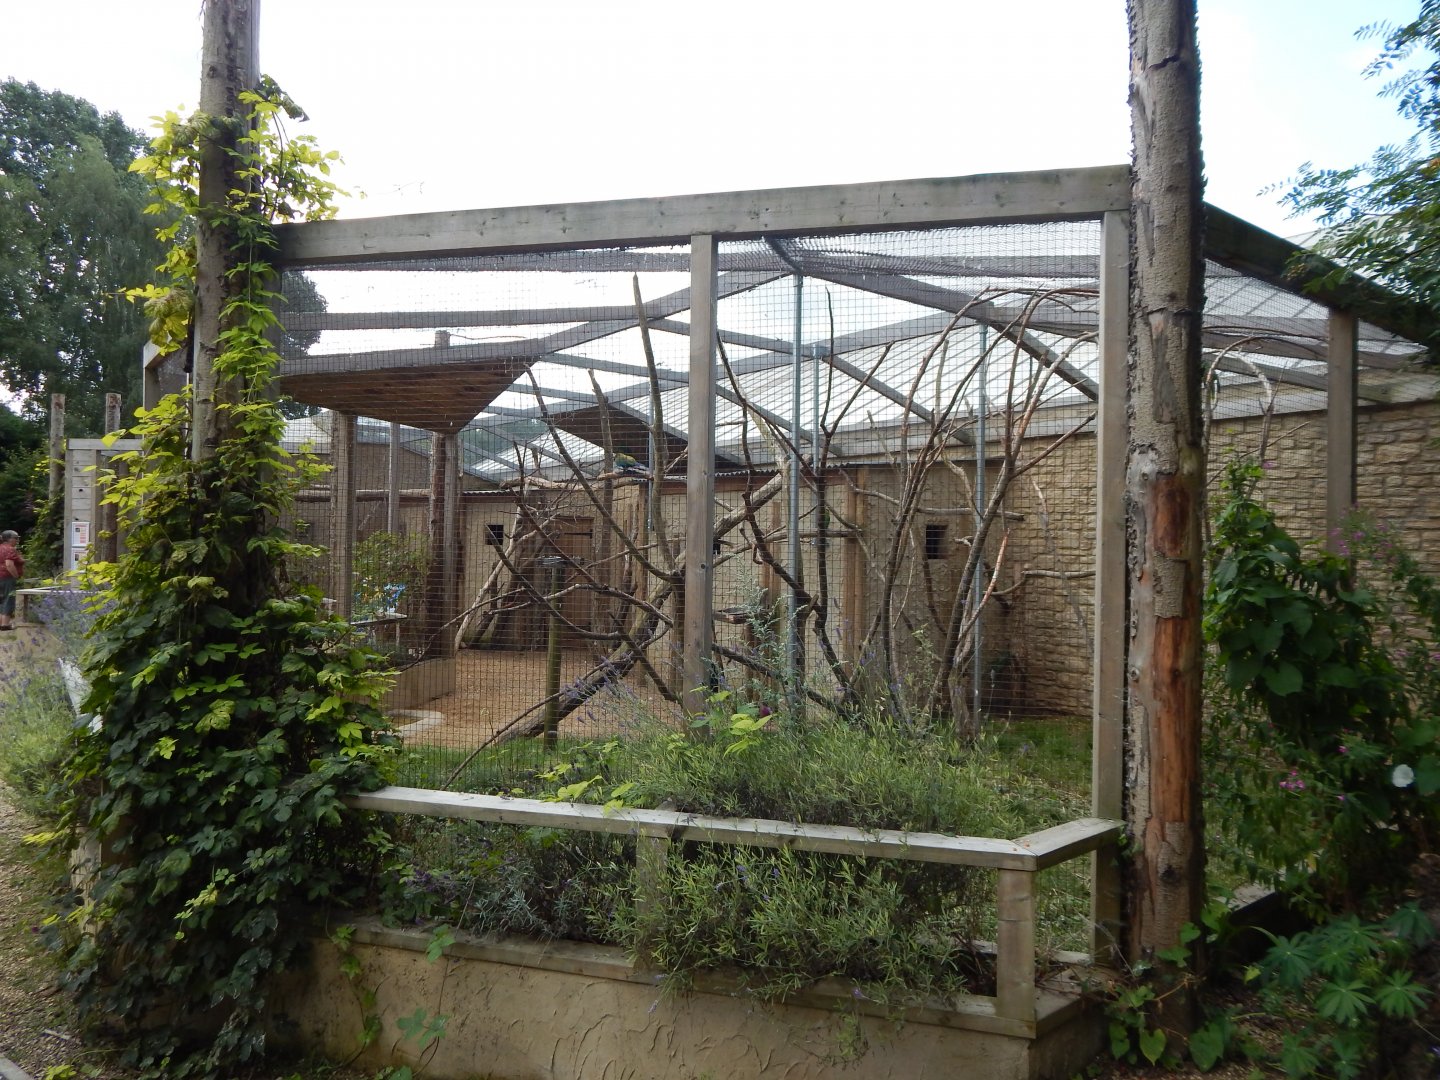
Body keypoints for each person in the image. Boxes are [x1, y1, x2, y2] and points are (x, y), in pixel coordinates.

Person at [0, 529, 23, 631]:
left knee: (2, 599)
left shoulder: (1, 548)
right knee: (9, 598)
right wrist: (16, 575)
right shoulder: (9, 549)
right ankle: (5, 624)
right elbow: (9, 564)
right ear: (9, 539)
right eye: (16, 538)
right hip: (7, 577)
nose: (17, 540)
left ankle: (1, 622)